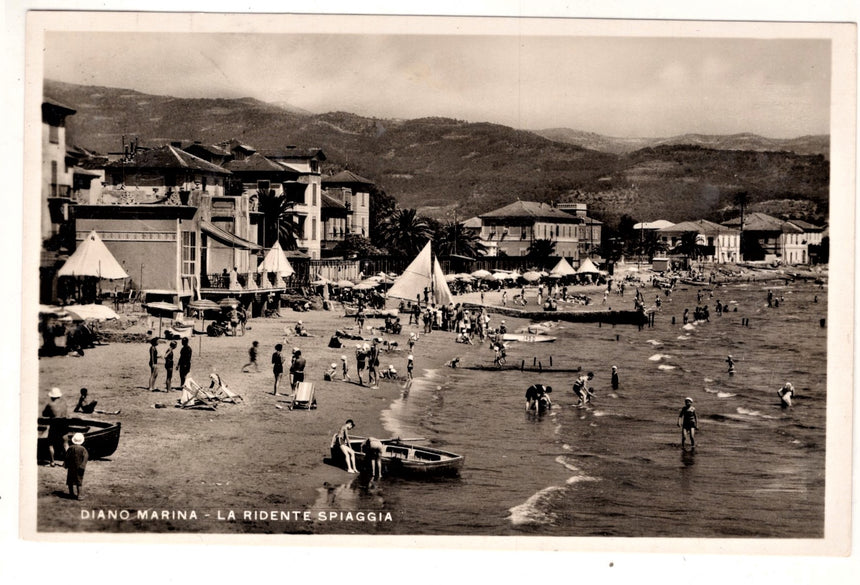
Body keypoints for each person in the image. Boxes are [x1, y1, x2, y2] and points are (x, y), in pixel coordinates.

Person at [42, 387, 69, 465]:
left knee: (50, 443)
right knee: (65, 444)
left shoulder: (50, 404)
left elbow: (44, 414)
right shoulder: (64, 402)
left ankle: (52, 462)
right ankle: (66, 462)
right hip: (64, 422)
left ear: (51, 396)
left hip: (54, 423)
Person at [64, 432, 88, 499]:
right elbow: (86, 457)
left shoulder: (70, 448)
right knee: (79, 480)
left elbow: (67, 456)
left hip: (71, 467)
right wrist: (83, 465)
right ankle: (79, 495)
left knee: (70, 480)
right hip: (79, 467)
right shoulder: (83, 449)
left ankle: (71, 493)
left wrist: (66, 464)